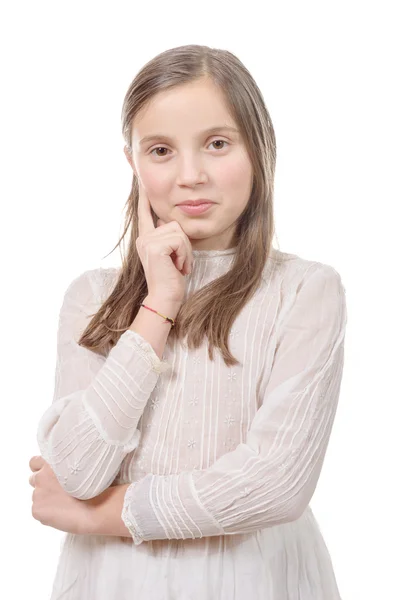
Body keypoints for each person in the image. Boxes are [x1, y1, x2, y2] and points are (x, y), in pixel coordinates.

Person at [31, 44, 347, 599]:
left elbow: (276, 485)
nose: (191, 175)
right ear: (132, 161)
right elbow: (78, 471)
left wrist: (100, 516)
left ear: (259, 147)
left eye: (217, 144)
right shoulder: (91, 297)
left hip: (252, 581)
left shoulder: (305, 292)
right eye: (160, 150)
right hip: (113, 583)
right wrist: (157, 307)